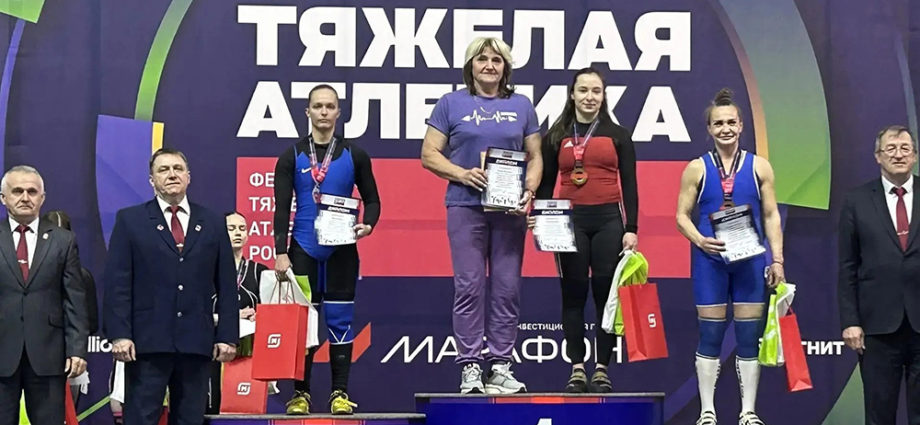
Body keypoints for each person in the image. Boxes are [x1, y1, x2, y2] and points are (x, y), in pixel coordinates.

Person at [421, 36, 542, 394]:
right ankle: (471, 367)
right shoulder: (451, 103)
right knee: (469, 287)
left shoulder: (521, 105)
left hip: (509, 211)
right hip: (465, 207)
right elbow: (429, 153)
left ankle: (501, 366)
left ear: (506, 68)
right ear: (470, 65)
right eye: (482, 59)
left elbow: (536, 156)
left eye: (497, 60)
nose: (489, 65)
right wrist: (461, 174)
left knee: (506, 289)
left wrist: (529, 190)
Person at [103, 148, 238, 425]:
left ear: (189, 176)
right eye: (163, 170)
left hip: (195, 343)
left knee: (190, 419)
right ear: (151, 180)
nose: (172, 174)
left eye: (178, 168)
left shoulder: (213, 223)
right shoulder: (130, 220)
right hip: (146, 344)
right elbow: (118, 283)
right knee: (140, 419)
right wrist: (119, 335)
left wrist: (227, 336)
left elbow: (226, 285)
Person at [675, 89, 784, 425]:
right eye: (718, 123)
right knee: (710, 335)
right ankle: (707, 412)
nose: (725, 128)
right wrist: (700, 240)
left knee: (749, 338)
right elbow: (681, 216)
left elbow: (771, 215)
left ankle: (748, 412)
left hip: (750, 262)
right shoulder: (697, 168)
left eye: (731, 122)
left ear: (741, 126)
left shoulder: (759, 166)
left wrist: (777, 260)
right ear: (709, 128)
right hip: (710, 263)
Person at [273, 84, 380, 415]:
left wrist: (368, 224)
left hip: (341, 251)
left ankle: (339, 394)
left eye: (329, 106)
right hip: (303, 250)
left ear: (338, 112)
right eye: (317, 106)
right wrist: (280, 251)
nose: (323, 111)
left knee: (340, 320)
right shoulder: (291, 156)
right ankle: (300, 395)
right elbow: (281, 208)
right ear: (307, 111)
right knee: (303, 325)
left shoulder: (355, 155)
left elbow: (373, 200)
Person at [533, 67, 638, 393]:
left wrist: (631, 228)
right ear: (572, 94)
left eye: (596, 91)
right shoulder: (556, 135)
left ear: (603, 96)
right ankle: (577, 369)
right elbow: (546, 184)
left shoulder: (618, 135)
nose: (589, 97)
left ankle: (602, 369)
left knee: (606, 296)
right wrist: (539, 216)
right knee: (573, 295)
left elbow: (630, 185)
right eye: (583, 90)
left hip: (609, 222)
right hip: (570, 223)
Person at [838, 125, 920, 425]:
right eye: (891, 149)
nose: (898, 155)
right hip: (877, 327)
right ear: (877, 156)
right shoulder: (856, 200)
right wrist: (850, 321)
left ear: (915, 156)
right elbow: (847, 265)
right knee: (879, 413)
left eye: (905, 148)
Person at [0, 166, 88, 424]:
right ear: (3, 197)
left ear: (42, 197)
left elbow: (75, 299)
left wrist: (77, 349)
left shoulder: (64, 240)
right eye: (17, 191)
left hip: (49, 355)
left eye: (32, 191)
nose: (25, 197)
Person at [205, 211, 269, 414]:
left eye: (242, 228)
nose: (238, 233)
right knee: (212, 406)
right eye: (231, 229)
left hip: (248, 351)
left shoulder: (261, 272)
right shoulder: (204, 271)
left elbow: (272, 313)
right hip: (212, 348)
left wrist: (260, 316)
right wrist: (231, 316)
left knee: (245, 409)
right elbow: (195, 312)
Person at [43, 209, 99, 404]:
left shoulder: (82, 277)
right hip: (35, 359)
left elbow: (90, 323)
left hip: (71, 360)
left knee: (66, 414)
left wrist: (74, 346)